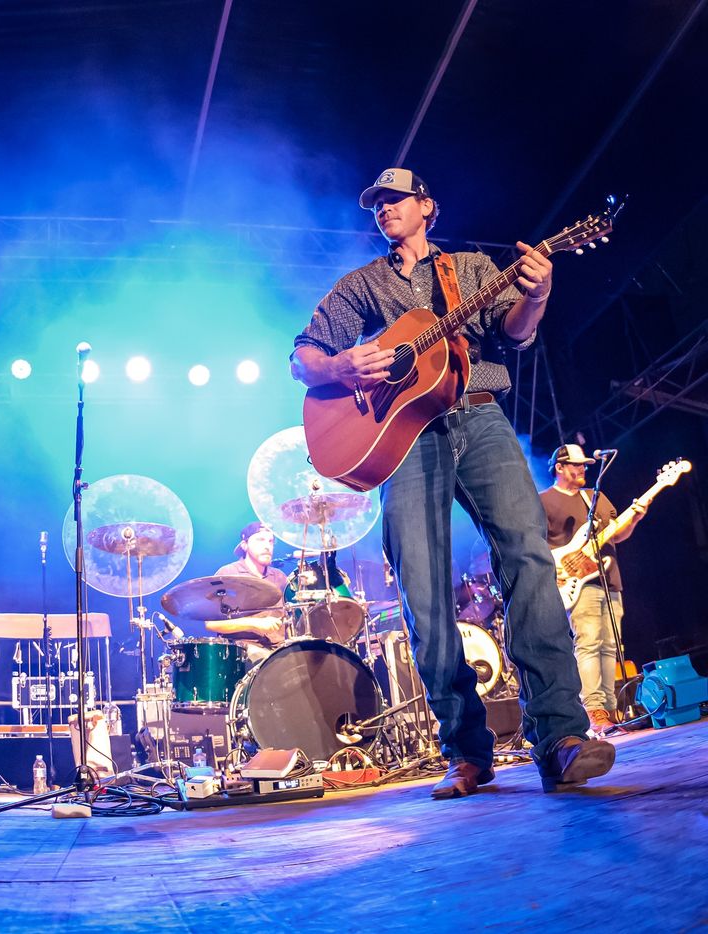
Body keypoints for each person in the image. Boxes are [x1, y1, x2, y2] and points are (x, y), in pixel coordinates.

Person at [289, 167, 615, 797]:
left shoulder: (467, 268)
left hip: (480, 415)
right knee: (423, 586)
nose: (384, 208)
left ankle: (562, 737)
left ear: (426, 207)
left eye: (395, 199)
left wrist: (538, 294)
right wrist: (343, 363)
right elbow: (302, 355)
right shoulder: (362, 285)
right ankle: (466, 751)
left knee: (529, 557)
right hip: (404, 434)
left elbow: (515, 333)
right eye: (376, 202)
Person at [540, 443, 644, 735]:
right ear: (559, 467)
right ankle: (594, 710)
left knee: (611, 644)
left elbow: (617, 534)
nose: (583, 469)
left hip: (609, 578)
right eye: (577, 465)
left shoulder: (593, 498)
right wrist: (559, 567)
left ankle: (610, 712)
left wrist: (634, 518)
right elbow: (535, 544)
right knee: (588, 642)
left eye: (585, 464)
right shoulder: (544, 501)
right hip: (576, 581)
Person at [207, 521, 289, 659]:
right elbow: (212, 624)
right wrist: (255, 623)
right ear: (244, 545)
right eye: (260, 540)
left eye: (270, 541)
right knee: (264, 662)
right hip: (242, 650)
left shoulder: (280, 577)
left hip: (279, 649)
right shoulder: (228, 573)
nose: (267, 546)